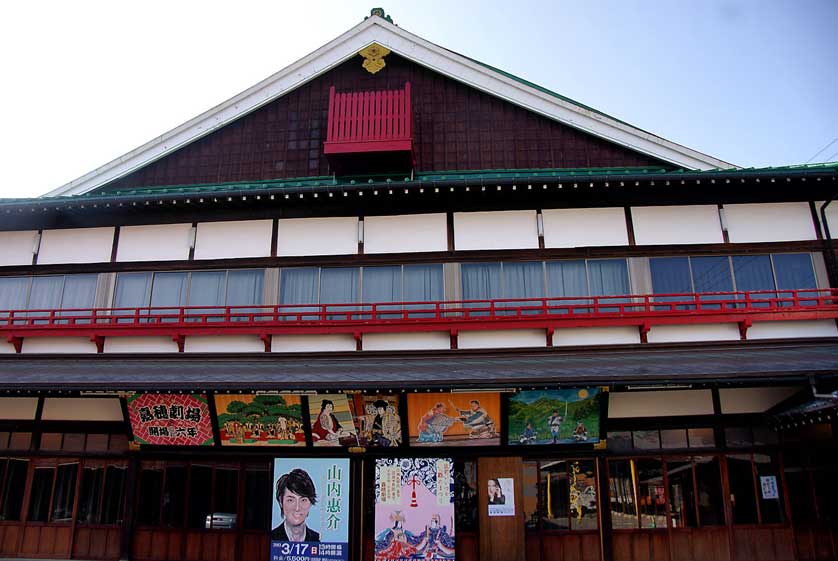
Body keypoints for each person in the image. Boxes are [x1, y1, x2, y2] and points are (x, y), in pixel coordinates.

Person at [271, 468, 320, 542]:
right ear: (281, 502)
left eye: (303, 500)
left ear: (310, 503)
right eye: (290, 500)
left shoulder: (316, 539)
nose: (297, 508)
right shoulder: (272, 538)